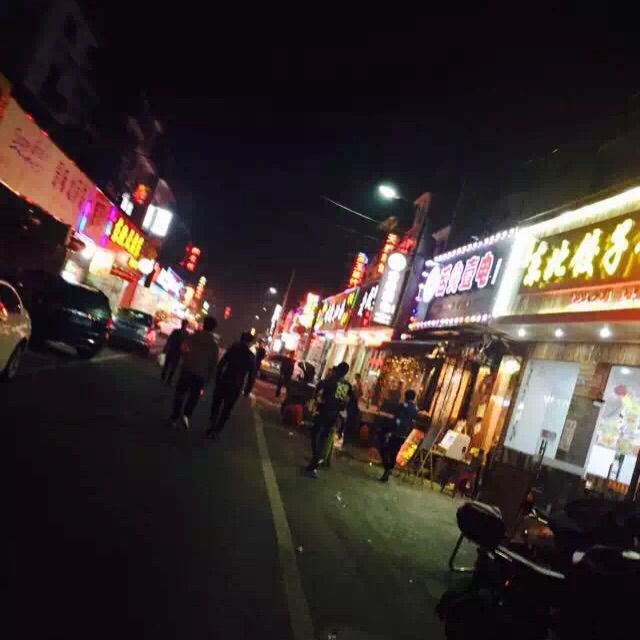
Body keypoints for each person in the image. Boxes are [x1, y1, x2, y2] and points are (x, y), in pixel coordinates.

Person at [170, 316, 219, 429]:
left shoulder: (193, 337)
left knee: (180, 393)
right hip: (200, 375)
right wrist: (209, 377)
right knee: (194, 396)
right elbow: (213, 364)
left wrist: (187, 357)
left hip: (187, 369)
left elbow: (183, 348)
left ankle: (174, 417)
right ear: (213, 328)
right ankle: (186, 414)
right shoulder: (213, 345)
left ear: (204, 324)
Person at [306, 362, 353, 477]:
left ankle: (315, 459)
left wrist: (316, 404)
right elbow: (344, 402)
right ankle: (316, 460)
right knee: (323, 438)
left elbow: (317, 393)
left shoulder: (329, 381)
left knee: (315, 434)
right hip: (333, 414)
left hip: (323, 411)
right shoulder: (345, 385)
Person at [206, 331, 256, 437]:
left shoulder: (233, 349)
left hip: (225, 379)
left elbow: (222, 363)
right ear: (250, 343)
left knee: (216, 404)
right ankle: (218, 429)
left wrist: (217, 377)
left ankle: (212, 423)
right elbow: (252, 376)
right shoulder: (250, 356)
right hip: (236, 385)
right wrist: (247, 390)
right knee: (227, 409)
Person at [379, 389, 418, 482]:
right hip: (404, 435)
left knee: (384, 449)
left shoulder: (402, 406)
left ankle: (387, 468)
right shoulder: (415, 409)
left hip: (395, 433)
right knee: (395, 452)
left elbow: (396, 420)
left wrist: (390, 431)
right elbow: (412, 423)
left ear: (405, 397)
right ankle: (389, 469)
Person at [161, 319, 189, 385]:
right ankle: (166, 377)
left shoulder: (183, 333)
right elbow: (170, 340)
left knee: (172, 365)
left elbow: (185, 343)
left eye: (185, 324)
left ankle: (167, 378)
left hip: (176, 351)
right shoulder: (178, 332)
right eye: (184, 324)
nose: (184, 325)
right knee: (169, 364)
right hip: (174, 350)